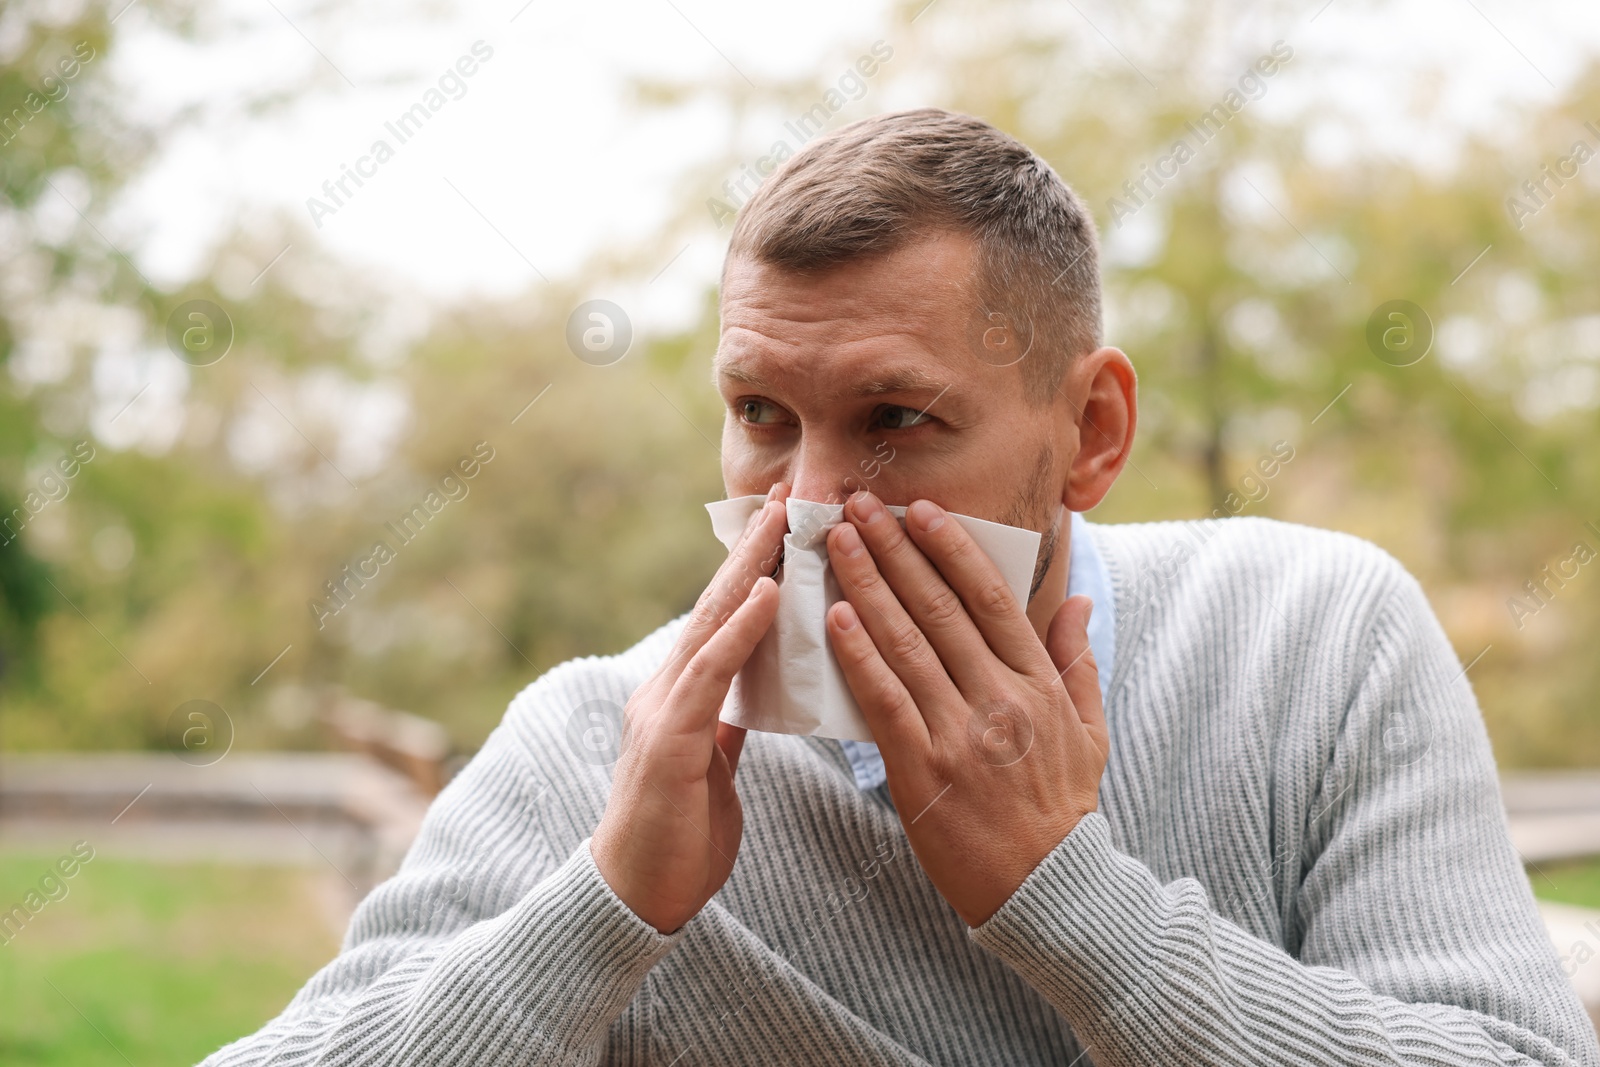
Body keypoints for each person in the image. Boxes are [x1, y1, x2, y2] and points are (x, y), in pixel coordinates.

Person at [202, 108, 1600, 1066]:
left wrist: (1069, 903)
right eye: (761, 414)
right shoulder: (604, 748)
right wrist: (607, 904)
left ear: (1091, 434)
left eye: (898, 420)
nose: (805, 504)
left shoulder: (1316, 641)